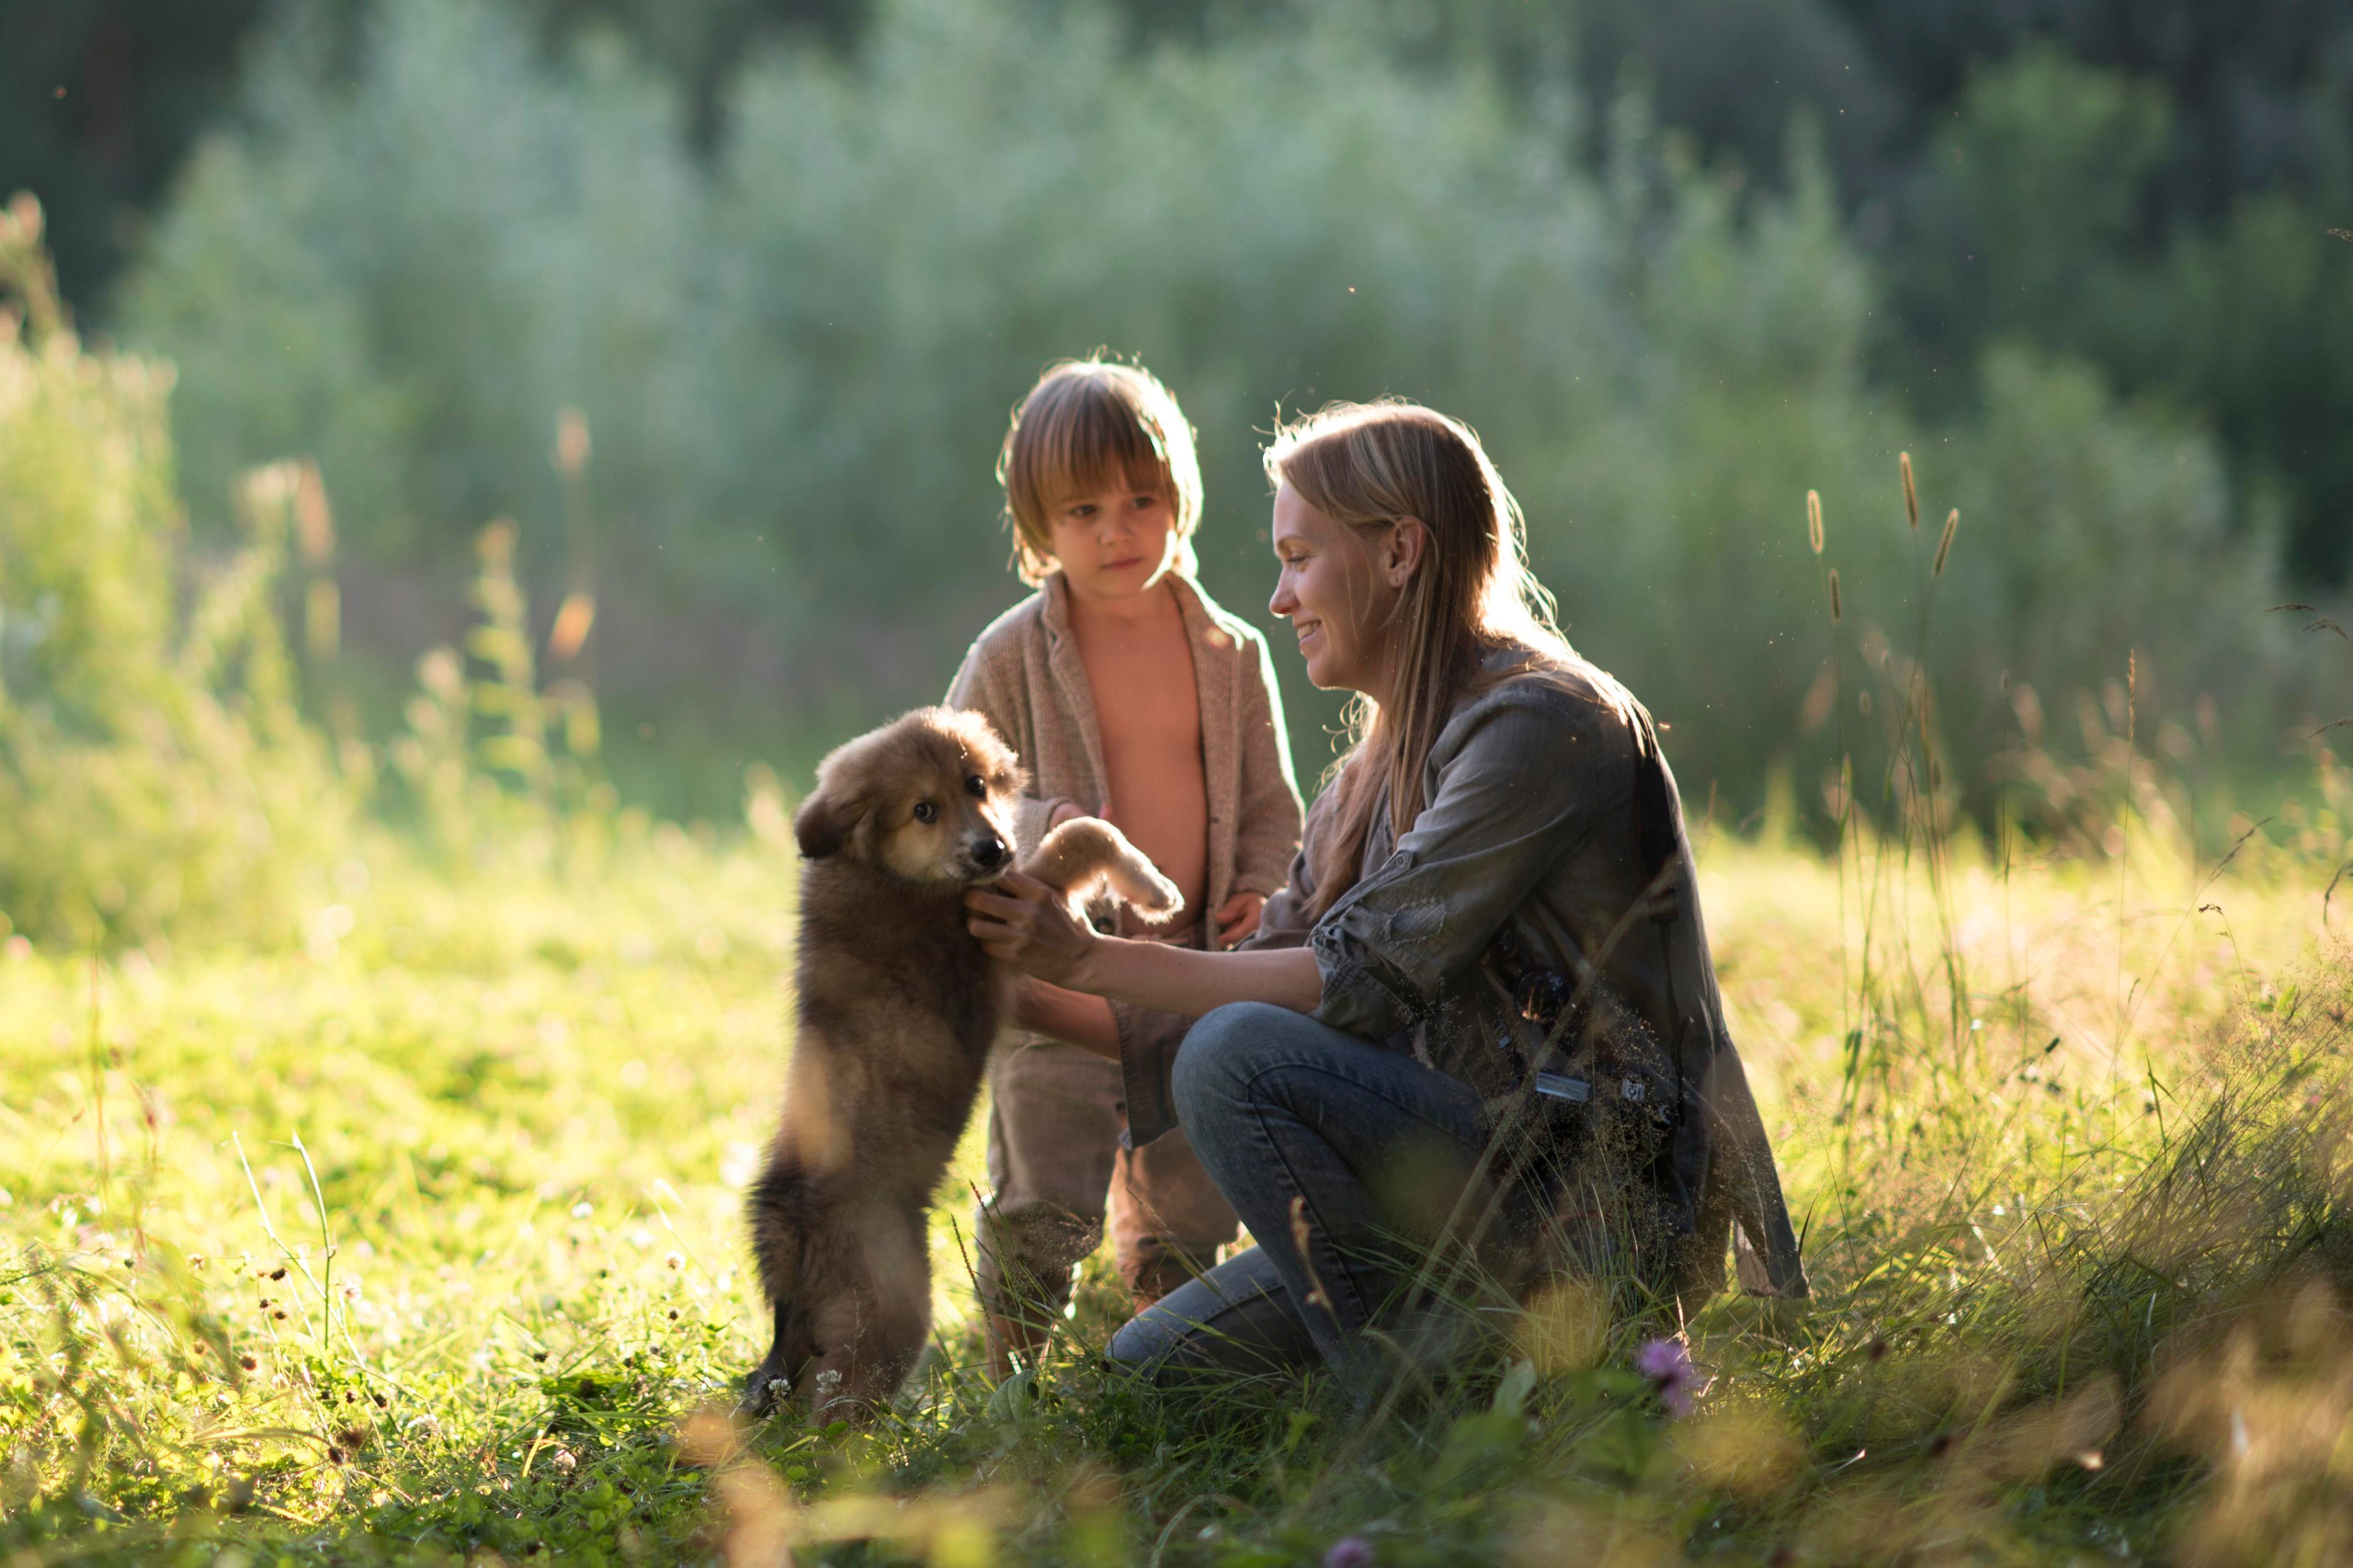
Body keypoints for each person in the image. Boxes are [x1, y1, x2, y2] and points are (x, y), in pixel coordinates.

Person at [966, 400, 1806, 1392]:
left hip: (1583, 1210)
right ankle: (1448, 1345)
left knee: (1233, 1056)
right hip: (1448, 1194)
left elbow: (1352, 979)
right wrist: (1010, 989)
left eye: (1298, 558)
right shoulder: (1362, 777)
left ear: (1400, 551)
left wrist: (1099, 958)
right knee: (1145, 1374)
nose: (1277, 599)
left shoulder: (1543, 723)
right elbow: (1240, 982)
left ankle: (1410, 1405)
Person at [946, 357, 1305, 1380]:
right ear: (1035, 527)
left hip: (1191, 974)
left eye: (1142, 500)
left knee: (1191, 1195)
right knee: (1042, 1190)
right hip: (1060, 974)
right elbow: (961, 784)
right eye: (1083, 510)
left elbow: (1272, 799)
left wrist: (1256, 881)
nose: (1118, 531)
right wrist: (1048, 815)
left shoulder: (1231, 649)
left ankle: (1173, 1350)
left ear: (1179, 500)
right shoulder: (1009, 653)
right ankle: (1009, 1371)